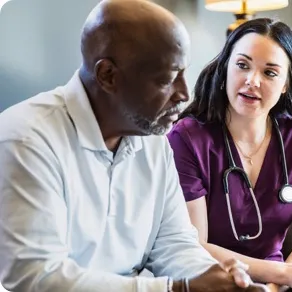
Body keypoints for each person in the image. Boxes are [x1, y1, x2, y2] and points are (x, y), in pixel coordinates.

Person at [0, 1, 269, 291]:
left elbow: (174, 244)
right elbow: (36, 276)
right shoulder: (26, 139)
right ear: (108, 76)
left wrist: (217, 278)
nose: (183, 93)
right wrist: (175, 288)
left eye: (183, 73)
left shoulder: (154, 141)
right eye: (167, 79)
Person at [167, 18, 292, 292]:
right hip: (215, 279)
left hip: (281, 281)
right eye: (242, 65)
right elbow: (195, 246)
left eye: (270, 73)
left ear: (286, 83)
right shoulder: (187, 139)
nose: (252, 81)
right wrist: (283, 274)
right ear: (225, 67)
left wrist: (278, 285)